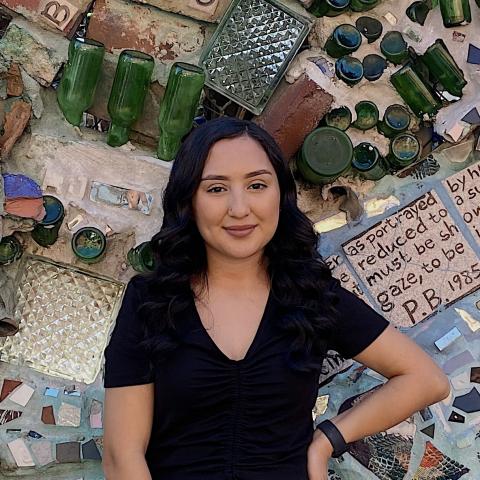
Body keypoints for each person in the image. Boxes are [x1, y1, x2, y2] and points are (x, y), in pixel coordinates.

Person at [102, 117, 450, 480]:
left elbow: (426, 379)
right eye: (216, 189)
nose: (239, 208)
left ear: (280, 196)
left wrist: (327, 441)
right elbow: (121, 456)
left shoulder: (311, 296)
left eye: (256, 185)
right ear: (189, 200)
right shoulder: (152, 302)